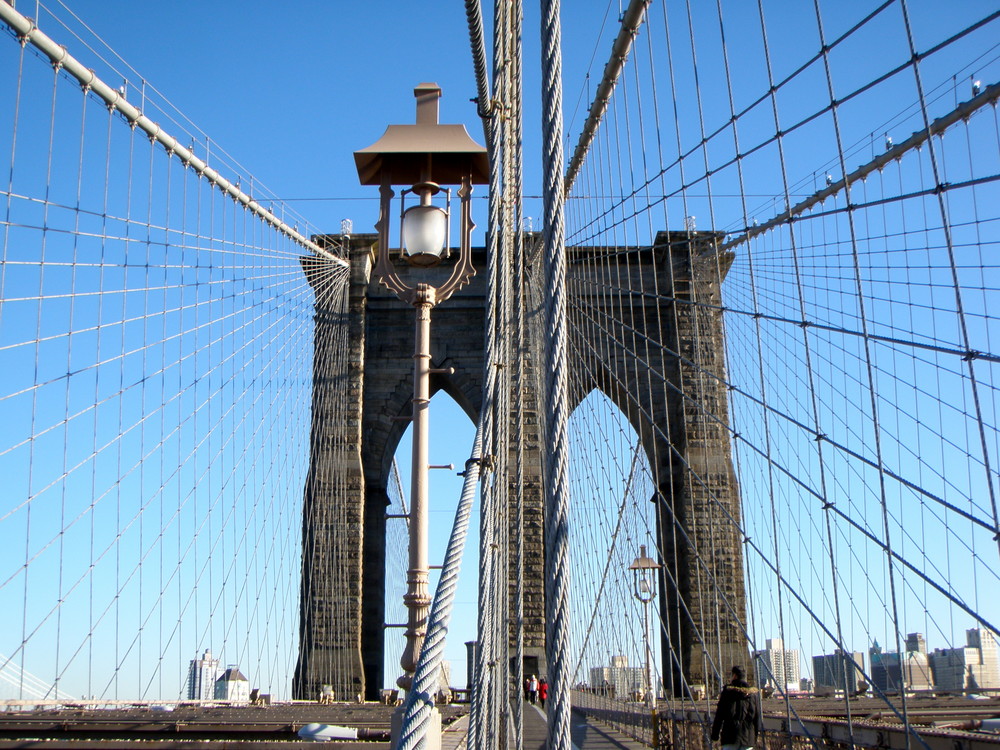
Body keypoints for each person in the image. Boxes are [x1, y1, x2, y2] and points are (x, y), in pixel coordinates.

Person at [710, 666, 761, 750]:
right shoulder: (753, 695)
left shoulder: (727, 693)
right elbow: (756, 718)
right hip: (748, 738)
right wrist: (754, 737)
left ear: (734, 676)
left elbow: (719, 716)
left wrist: (715, 735)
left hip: (730, 737)